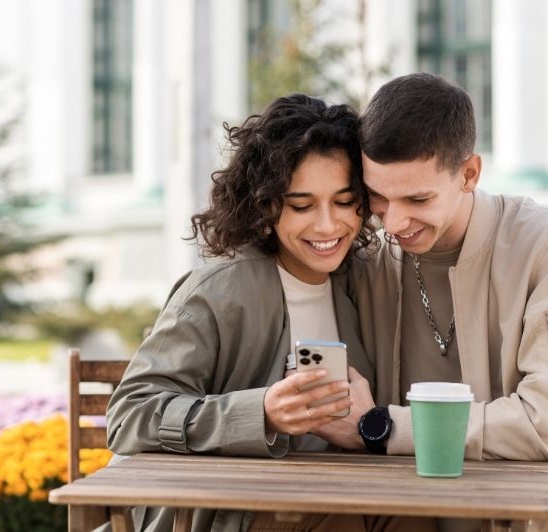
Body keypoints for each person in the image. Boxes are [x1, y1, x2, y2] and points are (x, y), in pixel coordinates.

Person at [316, 73, 548, 531]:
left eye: (418, 197)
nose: (395, 222)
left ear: (469, 174)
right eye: (378, 197)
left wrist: (381, 427)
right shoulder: (367, 260)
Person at [106, 93, 380, 532]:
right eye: (302, 206)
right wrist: (262, 414)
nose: (328, 225)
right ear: (266, 207)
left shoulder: (364, 281)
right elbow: (129, 416)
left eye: (345, 201)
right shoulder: (219, 290)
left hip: (342, 496)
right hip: (230, 513)